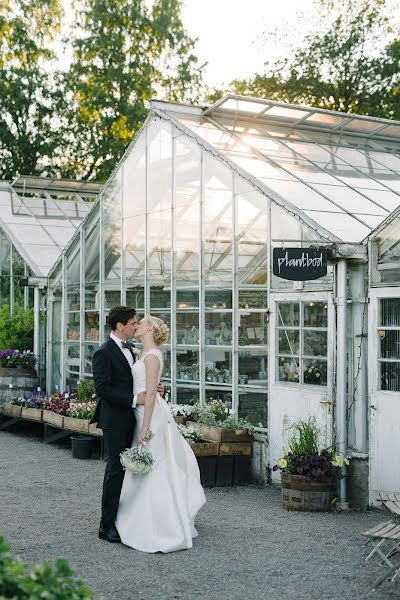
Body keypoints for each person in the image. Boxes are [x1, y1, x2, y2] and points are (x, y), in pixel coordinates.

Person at [116, 315, 206, 553]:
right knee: (147, 466)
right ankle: (138, 516)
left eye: (142, 322)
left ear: (151, 329)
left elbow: (153, 395)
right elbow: (148, 385)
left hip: (150, 415)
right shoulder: (144, 354)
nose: (137, 325)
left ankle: (160, 524)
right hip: (140, 412)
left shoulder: (153, 355)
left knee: (155, 465)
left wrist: (145, 427)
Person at [91, 305, 163, 544]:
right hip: (115, 420)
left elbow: (135, 380)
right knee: (115, 470)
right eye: (132, 323)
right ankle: (106, 526)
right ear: (120, 326)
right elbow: (103, 389)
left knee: (128, 471)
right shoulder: (103, 352)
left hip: (133, 417)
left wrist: (152, 389)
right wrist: (136, 399)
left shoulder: (132, 349)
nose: (136, 326)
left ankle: (125, 520)